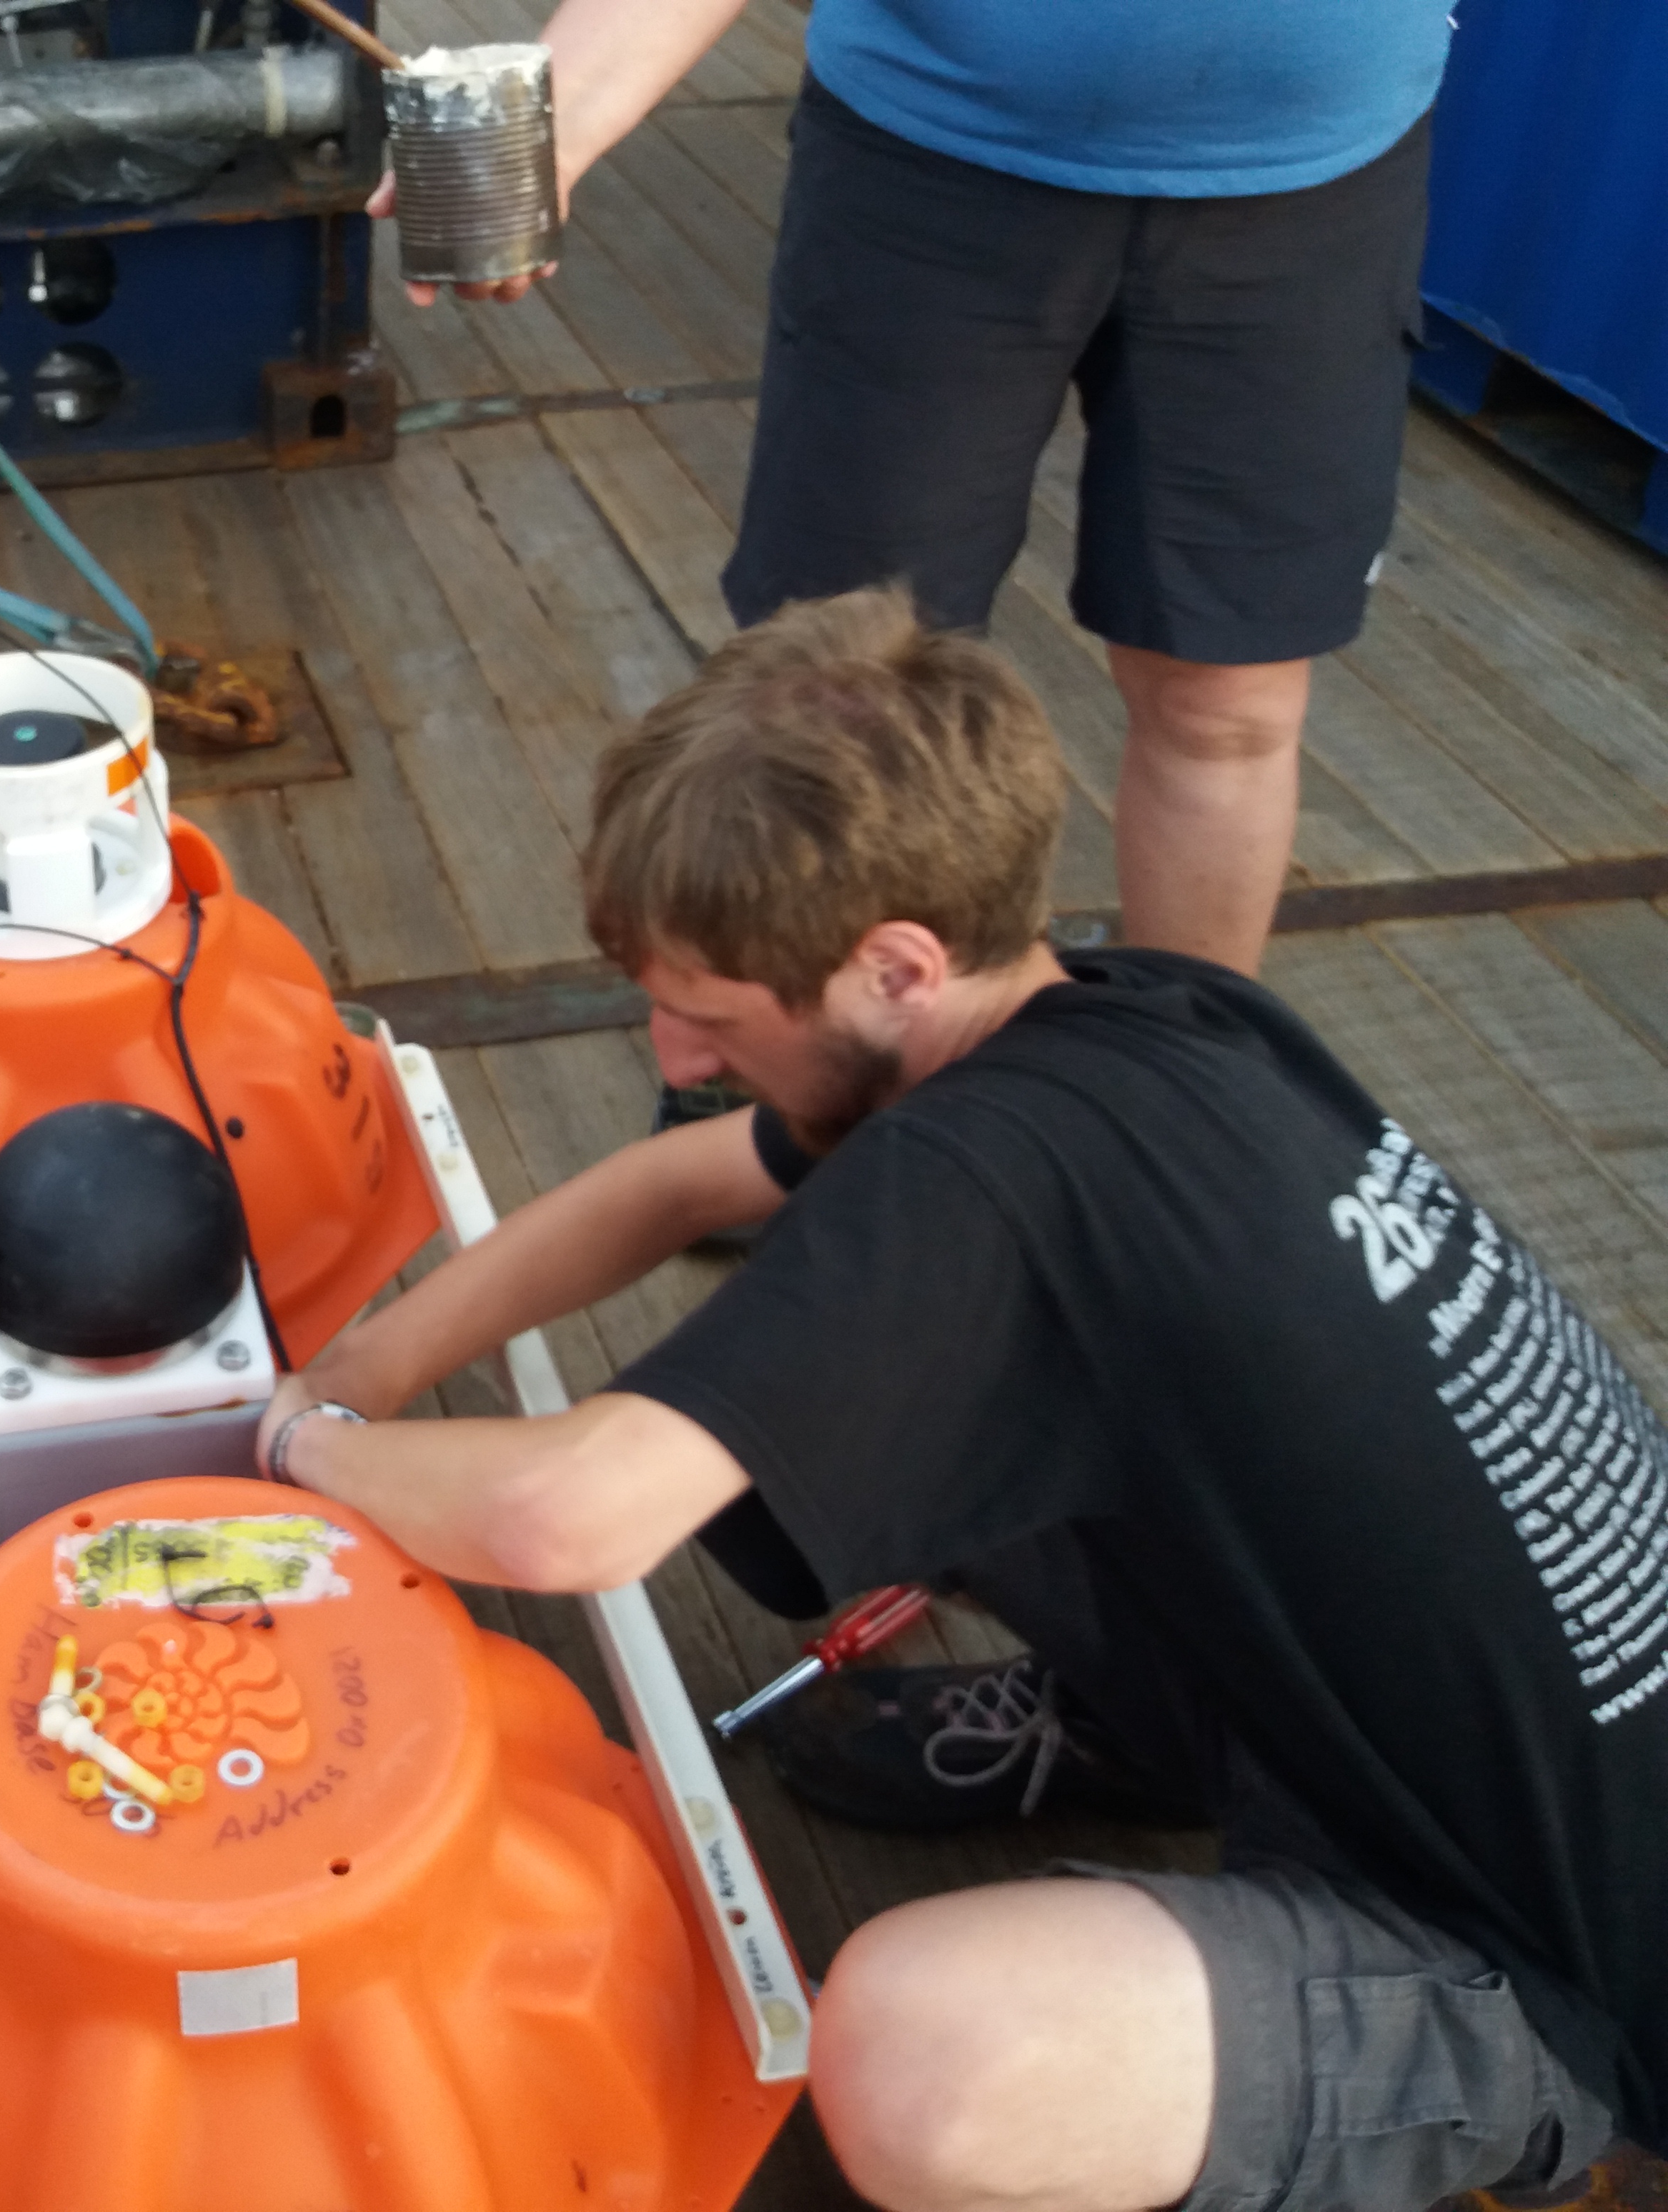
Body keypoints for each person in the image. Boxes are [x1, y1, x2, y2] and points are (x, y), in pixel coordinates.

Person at [254, 589, 1660, 2211]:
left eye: (709, 1015)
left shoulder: (981, 1195)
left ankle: (1487, 2096)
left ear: (897, 966)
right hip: (1486, 1722)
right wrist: (369, 1362)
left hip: (1560, 1963)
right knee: (954, 1411)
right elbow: (674, 1181)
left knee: (921, 2052)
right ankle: (1156, 1728)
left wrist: (305, 1448)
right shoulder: (1144, 1012)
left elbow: (566, 1516)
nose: (677, 1051)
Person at [382, 0, 1450, 980]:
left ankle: (1182, 1076)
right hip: (931, 168)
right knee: (839, 689)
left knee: (1228, 704)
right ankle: (804, 1088)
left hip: (1314, 186)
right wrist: (553, 120)